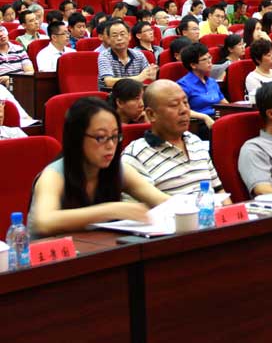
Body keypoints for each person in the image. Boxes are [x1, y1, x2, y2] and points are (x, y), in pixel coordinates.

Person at [27, 97, 170, 239]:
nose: (110, 145)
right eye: (101, 137)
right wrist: (111, 210)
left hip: (97, 247)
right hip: (52, 251)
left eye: (115, 136)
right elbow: (44, 222)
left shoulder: (119, 169)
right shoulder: (54, 175)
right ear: (77, 138)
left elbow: (163, 201)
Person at [122, 80, 231, 199]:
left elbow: (219, 191)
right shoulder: (135, 156)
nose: (184, 110)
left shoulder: (195, 141)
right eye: (174, 105)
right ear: (151, 114)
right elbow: (139, 209)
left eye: (185, 102)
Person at [177, 43, 227, 136]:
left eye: (210, 57)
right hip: (199, 123)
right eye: (204, 59)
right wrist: (204, 117)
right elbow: (181, 109)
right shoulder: (183, 85)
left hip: (217, 119)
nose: (209, 62)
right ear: (193, 65)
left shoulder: (212, 82)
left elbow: (225, 104)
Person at [98, 21, 157, 91]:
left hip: (136, 94)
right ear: (108, 39)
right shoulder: (104, 56)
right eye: (114, 35)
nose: (119, 38)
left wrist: (153, 74)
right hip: (113, 95)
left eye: (122, 34)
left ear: (129, 36)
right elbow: (109, 82)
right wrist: (139, 78)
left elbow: (148, 75)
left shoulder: (139, 55)